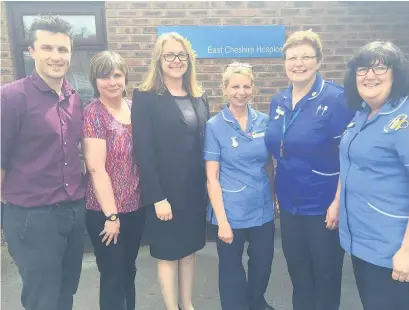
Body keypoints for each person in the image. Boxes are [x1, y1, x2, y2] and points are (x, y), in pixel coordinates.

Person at [263, 29, 354, 310]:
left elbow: (348, 156)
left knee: (325, 276)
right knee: (299, 273)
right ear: (285, 62)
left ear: (318, 60)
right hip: (290, 205)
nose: (298, 63)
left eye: (306, 57)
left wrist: (338, 202)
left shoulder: (337, 99)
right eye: (292, 57)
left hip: (324, 206)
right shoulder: (279, 101)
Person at [1, 16, 86, 310]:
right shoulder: (11, 98)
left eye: (62, 49)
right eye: (47, 48)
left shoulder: (74, 98)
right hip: (33, 217)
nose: (56, 56)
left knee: (65, 292)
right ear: (32, 51)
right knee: (42, 300)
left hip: (73, 211)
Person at [131, 32, 208, 310]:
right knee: (167, 254)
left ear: (189, 59)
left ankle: (187, 304)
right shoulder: (146, 98)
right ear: (159, 61)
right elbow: (144, 151)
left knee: (188, 252)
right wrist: (157, 197)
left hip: (193, 192)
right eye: (169, 55)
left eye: (181, 55)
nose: (176, 61)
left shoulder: (199, 96)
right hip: (165, 194)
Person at [339, 41, 409, 310]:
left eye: (380, 68)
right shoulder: (363, 114)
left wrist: (406, 250)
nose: (369, 75)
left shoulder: (403, 119)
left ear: (397, 74)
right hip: (363, 243)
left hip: (392, 249)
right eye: (363, 69)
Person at [204, 62, 276, 310]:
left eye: (246, 86)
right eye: (235, 86)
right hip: (230, 211)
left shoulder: (264, 121)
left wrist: (274, 197)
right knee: (231, 270)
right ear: (224, 89)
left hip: (262, 208)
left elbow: (269, 165)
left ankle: (256, 302)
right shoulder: (214, 126)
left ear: (252, 88)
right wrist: (222, 221)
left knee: (263, 262)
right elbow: (212, 177)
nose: (241, 92)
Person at [82, 51, 146, 310]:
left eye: (117, 75)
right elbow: (96, 169)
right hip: (105, 212)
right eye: (104, 76)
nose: (112, 82)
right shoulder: (93, 113)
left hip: (135, 208)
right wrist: (111, 216)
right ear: (94, 80)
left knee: (128, 270)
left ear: (126, 78)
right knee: (112, 275)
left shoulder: (135, 108)